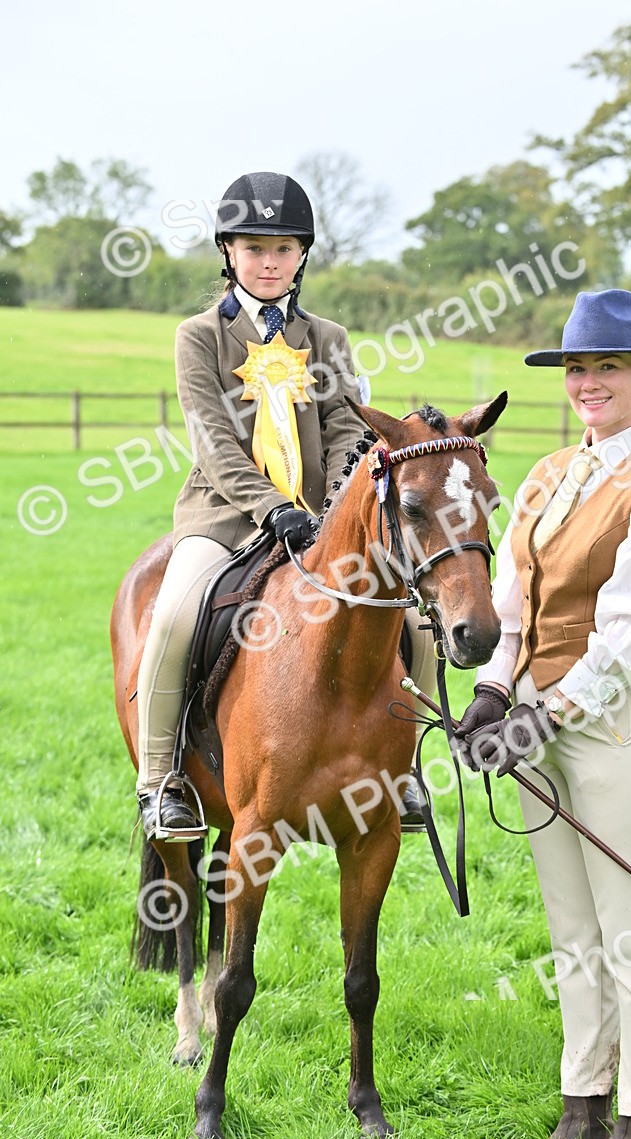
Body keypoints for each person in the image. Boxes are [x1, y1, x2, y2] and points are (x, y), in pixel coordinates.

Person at [455, 289, 631, 1139]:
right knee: (574, 933)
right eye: (576, 368)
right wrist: (493, 691)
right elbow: (514, 603)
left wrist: (543, 715)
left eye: (608, 366)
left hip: (619, 735)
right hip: (541, 728)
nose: (589, 382)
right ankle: (582, 1111)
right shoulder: (549, 472)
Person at [136, 171, 433, 842]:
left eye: (283, 249)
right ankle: (160, 781)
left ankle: (405, 771)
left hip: (320, 522)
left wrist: (331, 508)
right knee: (176, 617)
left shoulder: (327, 336)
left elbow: (346, 430)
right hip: (224, 517)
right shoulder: (199, 337)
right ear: (229, 253)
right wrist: (270, 507)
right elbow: (211, 437)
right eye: (254, 248)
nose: (268, 262)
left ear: (302, 256)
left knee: (414, 622)